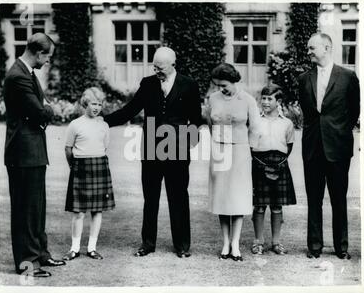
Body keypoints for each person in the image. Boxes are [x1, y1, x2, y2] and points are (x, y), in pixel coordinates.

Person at [104, 47, 202, 258]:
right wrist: (103, 122)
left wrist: (191, 142)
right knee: (151, 198)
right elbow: (130, 110)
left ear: (173, 64)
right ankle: (147, 243)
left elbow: (195, 118)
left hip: (178, 149)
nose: (156, 69)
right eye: (154, 66)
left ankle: (182, 245)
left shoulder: (189, 85)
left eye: (160, 66)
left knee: (179, 197)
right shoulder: (147, 84)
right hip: (150, 149)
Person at [3, 33, 65, 277]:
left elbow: (37, 108)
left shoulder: (25, 72)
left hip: (32, 152)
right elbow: (39, 112)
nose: (48, 61)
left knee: (36, 208)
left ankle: (40, 254)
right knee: (26, 210)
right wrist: (51, 109)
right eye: (48, 57)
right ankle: (28, 263)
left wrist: (44, 108)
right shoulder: (19, 76)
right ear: (38, 53)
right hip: (23, 153)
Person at [298, 33, 360, 259]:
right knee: (313, 199)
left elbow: (354, 111)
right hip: (312, 147)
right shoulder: (304, 78)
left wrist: (338, 131)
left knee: (339, 199)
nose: (308, 52)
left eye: (312, 48)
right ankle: (314, 247)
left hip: (338, 147)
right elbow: (308, 113)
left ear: (326, 47)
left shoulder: (348, 77)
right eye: (307, 48)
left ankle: (341, 248)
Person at [206, 63, 260, 261]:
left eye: (224, 85)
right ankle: (226, 242)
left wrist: (249, 151)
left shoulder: (247, 100)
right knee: (222, 197)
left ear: (234, 81)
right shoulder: (212, 99)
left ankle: (236, 243)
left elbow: (255, 128)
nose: (221, 89)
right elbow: (210, 122)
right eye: (218, 85)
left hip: (239, 152)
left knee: (237, 198)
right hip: (219, 150)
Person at [62, 87, 115, 261]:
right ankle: (74, 248)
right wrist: (74, 166)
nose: (96, 107)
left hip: (99, 165)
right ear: (85, 103)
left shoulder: (104, 125)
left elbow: (104, 146)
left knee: (97, 210)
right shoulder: (75, 124)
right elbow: (68, 149)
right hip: (80, 167)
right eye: (93, 103)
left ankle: (92, 248)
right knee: (78, 212)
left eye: (99, 104)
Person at [250, 85, 296, 256]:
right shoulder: (255, 121)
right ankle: (258, 242)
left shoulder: (287, 123)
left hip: (280, 163)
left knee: (277, 206)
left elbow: (289, 146)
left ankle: (276, 242)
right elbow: (251, 145)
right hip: (259, 162)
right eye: (263, 98)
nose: (265, 102)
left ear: (279, 101)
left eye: (270, 99)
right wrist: (261, 162)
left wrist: (278, 162)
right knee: (260, 205)